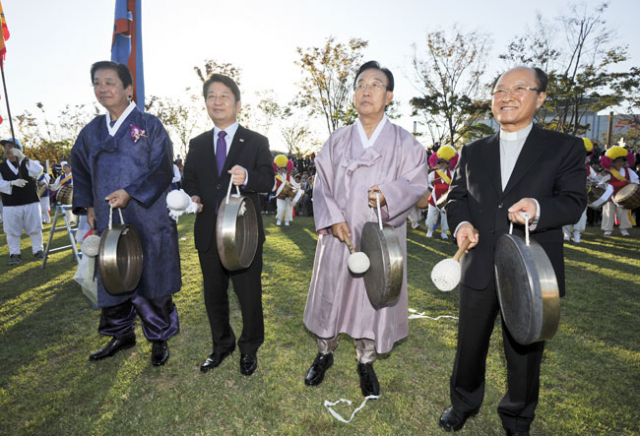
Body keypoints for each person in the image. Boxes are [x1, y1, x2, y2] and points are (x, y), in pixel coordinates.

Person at [439, 66, 587, 436]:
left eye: (519, 88)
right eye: (500, 89)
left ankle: (518, 416)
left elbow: (573, 201)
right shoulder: (472, 150)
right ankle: (463, 403)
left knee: (524, 349)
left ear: (541, 98)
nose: (506, 96)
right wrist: (461, 224)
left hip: (531, 269)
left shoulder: (564, 147)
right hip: (478, 264)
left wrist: (537, 208)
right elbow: (456, 198)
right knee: (469, 343)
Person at [303, 61, 429, 396]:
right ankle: (324, 351)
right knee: (333, 293)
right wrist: (332, 218)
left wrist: (389, 194)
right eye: (360, 84)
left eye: (375, 84)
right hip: (339, 235)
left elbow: (418, 185)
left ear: (388, 96)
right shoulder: (337, 140)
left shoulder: (405, 143)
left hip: (381, 237)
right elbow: (321, 185)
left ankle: (366, 360)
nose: (366, 90)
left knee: (374, 297)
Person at [70, 61, 181, 367]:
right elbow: (79, 169)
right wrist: (90, 206)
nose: (102, 88)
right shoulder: (91, 132)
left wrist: (131, 192)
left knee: (151, 276)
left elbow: (162, 168)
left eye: (110, 82)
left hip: (147, 214)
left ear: (128, 89)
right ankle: (121, 334)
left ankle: (158, 337)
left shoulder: (149, 126)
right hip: (106, 216)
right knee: (111, 273)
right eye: (97, 83)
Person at [182, 74, 273, 377]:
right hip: (209, 231)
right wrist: (192, 195)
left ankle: (249, 347)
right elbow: (189, 180)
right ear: (205, 103)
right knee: (213, 294)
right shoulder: (196, 144)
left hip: (244, 233)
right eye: (211, 96)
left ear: (238, 103)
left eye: (224, 96)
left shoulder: (257, 141)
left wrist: (247, 177)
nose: (217, 101)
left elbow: (268, 181)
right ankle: (222, 346)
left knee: (248, 294)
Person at [0, 138, 45, 265]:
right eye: (6, 147)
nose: (7, 150)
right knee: (12, 231)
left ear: (18, 149)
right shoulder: (1, 167)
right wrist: (11, 183)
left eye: (10, 146)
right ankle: (14, 253)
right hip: (11, 204)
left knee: (35, 228)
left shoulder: (27, 163)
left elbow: (38, 171)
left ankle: (38, 250)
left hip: (31, 201)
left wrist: (24, 158)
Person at [562, 137, 602, 243]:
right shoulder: (567, 165)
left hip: (582, 194)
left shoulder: (588, 168)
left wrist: (597, 177)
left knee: (581, 214)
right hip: (567, 192)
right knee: (566, 212)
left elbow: (596, 179)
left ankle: (577, 233)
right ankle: (566, 233)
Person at [599, 145, 638, 236]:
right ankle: (607, 229)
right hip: (610, 195)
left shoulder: (628, 171)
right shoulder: (608, 171)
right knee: (608, 211)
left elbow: (636, 180)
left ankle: (624, 229)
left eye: (622, 161)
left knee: (623, 213)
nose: (620, 163)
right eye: (618, 161)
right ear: (613, 162)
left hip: (624, 196)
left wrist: (633, 187)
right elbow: (602, 183)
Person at [425, 145, 458, 239]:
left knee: (445, 216)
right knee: (431, 214)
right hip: (434, 198)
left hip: (446, 198)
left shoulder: (452, 174)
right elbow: (427, 182)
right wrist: (432, 187)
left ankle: (444, 232)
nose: (443, 165)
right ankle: (429, 230)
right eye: (440, 163)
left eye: (445, 163)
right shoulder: (434, 173)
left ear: (448, 164)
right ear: (438, 164)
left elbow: (455, 184)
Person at [273, 154, 300, 226]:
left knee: (288, 209)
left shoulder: (289, 176)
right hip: (280, 195)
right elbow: (273, 186)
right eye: (281, 168)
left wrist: (300, 185)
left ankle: (286, 221)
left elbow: (294, 184)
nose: (282, 169)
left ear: (286, 168)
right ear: (278, 169)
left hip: (288, 196)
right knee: (280, 208)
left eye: (283, 168)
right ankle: (279, 219)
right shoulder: (276, 177)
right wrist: (272, 188)